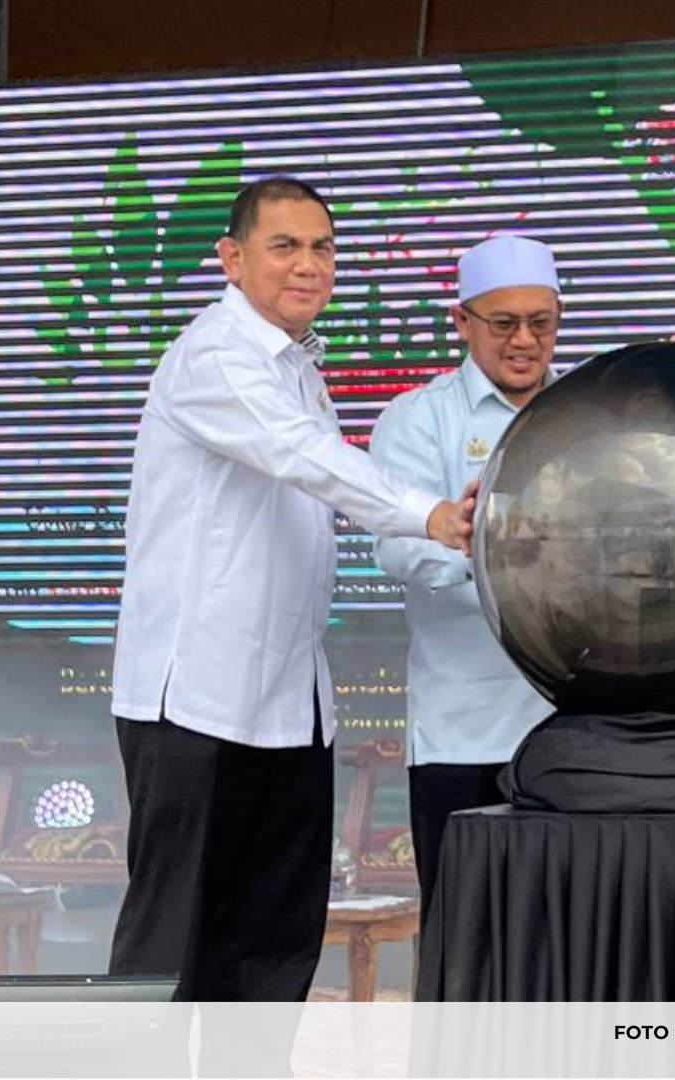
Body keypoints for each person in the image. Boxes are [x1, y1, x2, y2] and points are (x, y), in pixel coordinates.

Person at [109, 175, 464, 1002]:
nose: (309, 265)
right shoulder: (216, 354)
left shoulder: (297, 365)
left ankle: (258, 1063)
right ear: (232, 260)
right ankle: (137, 1065)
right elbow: (306, 457)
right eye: (285, 246)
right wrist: (430, 514)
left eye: (322, 248)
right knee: (174, 936)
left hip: (289, 698)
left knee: (275, 933)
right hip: (196, 698)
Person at [369, 234, 560, 913]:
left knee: (567, 934)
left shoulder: (586, 409)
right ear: (462, 321)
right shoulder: (419, 419)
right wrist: (485, 548)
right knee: (466, 934)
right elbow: (394, 549)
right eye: (503, 322)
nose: (524, 341)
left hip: (574, 733)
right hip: (465, 733)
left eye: (541, 322)